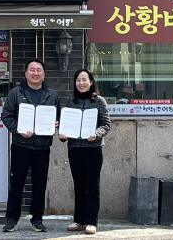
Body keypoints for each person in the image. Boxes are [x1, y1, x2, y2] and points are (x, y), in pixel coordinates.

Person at [1, 59, 60, 233]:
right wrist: (18, 130)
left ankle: (37, 219)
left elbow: (58, 116)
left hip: (42, 147)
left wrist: (56, 124)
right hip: (21, 145)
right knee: (16, 184)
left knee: (39, 184)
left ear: (44, 74)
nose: (35, 73)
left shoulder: (52, 94)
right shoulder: (16, 93)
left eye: (39, 70)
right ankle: (12, 219)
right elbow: (6, 116)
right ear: (26, 73)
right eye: (32, 70)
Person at [59, 68, 111, 235]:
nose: (81, 83)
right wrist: (62, 135)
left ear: (91, 82)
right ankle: (79, 220)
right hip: (75, 148)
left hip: (93, 148)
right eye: (78, 80)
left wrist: (96, 134)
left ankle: (91, 222)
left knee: (92, 186)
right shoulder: (71, 102)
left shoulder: (99, 101)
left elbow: (106, 124)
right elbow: (65, 127)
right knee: (79, 185)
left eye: (84, 80)